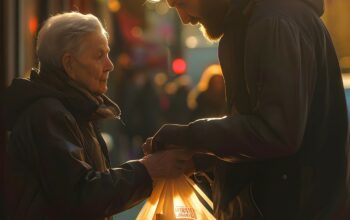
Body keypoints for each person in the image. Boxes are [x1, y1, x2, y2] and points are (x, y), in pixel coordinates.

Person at [143, 0, 349, 219]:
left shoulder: (274, 19)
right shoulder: (247, 24)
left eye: (182, 3)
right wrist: (199, 159)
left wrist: (190, 137)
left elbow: (276, 132)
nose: (184, 18)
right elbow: (254, 137)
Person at [3, 12, 192, 220]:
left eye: (108, 54)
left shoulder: (71, 110)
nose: (110, 65)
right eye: (99, 55)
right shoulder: (48, 114)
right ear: (69, 64)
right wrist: (146, 170)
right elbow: (80, 195)